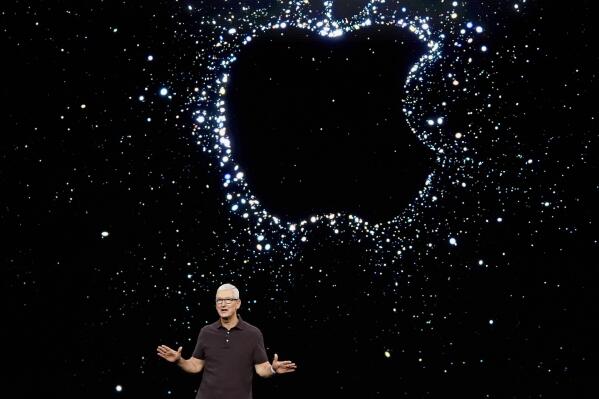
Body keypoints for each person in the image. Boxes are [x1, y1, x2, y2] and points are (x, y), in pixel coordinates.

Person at [157, 283, 297, 399]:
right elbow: (195, 366)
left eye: (228, 300)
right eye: (219, 300)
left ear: (238, 303)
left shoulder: (253, 333)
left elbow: (262, 370)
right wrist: (179, 360)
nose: (223, 304)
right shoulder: (206, 332)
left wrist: (273, 369)